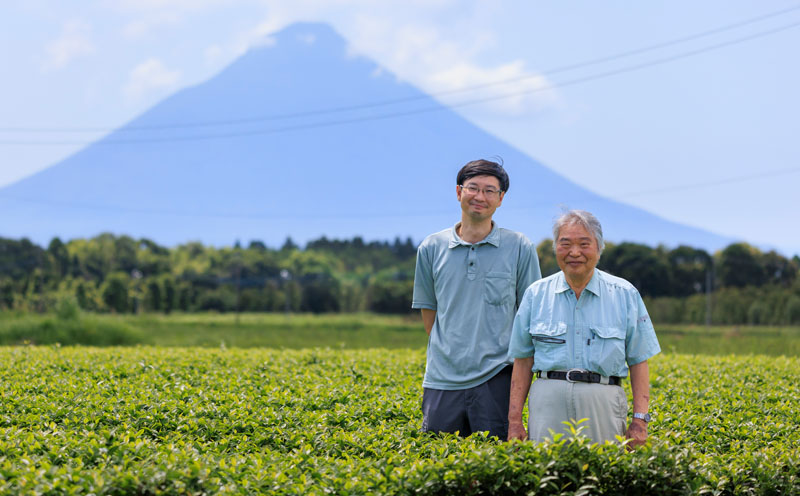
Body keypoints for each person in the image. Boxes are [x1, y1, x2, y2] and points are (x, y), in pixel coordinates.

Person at [507, 210, 660, 447]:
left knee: (603, 476)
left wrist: (640, 419)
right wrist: (514, 421)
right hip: (548, 402)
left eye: (584, 244)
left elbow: (639, 361)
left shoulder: (625, 294)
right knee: (548, 476)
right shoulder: (535, 294)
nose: (574, 252)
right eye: (565, 243)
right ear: (555, 247)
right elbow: (523, 361)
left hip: (603, 400)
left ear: (599, 248)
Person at [412, 159, 541, 440]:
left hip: (498, 377)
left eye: (490, 191)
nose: (480, 197)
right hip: (441, 379)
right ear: (459, 192)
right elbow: (429, 312)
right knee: (438, 465)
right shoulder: (431, 248)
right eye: (473, 188)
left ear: (501, 199)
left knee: (495, 467)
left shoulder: (519, 246)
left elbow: (530, 316)